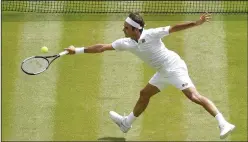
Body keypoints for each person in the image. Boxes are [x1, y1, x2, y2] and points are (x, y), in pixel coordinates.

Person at [64, 12, 235, 139]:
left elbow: (173, 28)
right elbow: (101, 47)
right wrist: (77, 50)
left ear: (135, 29)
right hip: (162, 71)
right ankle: (126, 124)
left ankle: (223, 123)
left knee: (193, 96)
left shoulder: (151, 34)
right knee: (144, 94)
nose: (123, 29)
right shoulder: (126, 43)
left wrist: (196, 23)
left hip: (174, 67)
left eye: (126, 27)